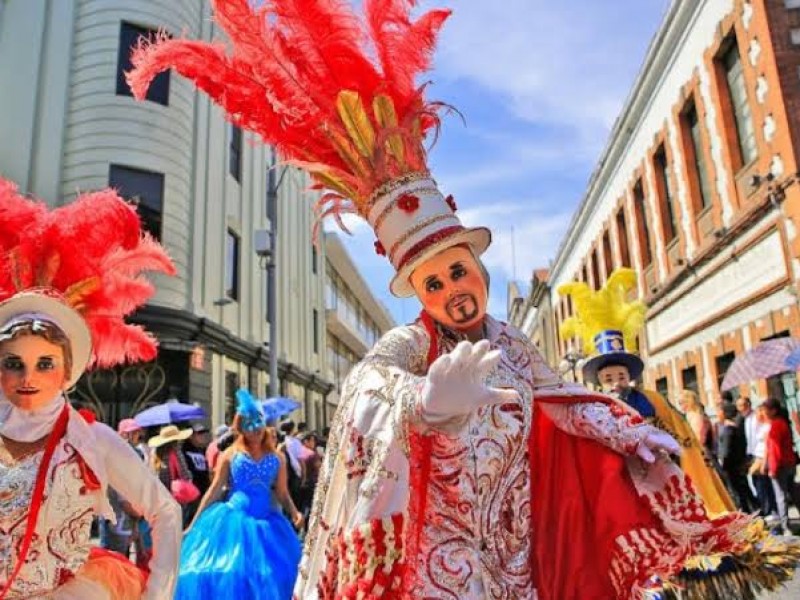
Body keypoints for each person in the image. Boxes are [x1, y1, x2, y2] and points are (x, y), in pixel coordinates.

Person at [128, 3, 795, 598]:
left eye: (457, 271)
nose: (452, 291)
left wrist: (631, 431)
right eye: (433, 285)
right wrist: (422, 402)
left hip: (517, 558)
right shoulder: (414, 347)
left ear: (475, 263)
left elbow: (563, 401)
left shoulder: (510, 345)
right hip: (434, 570)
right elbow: (366, 386)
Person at [0, 177, 181, 598]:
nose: (28, 378)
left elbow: (165, 511)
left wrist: (158, 594)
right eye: (14, 363)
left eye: (44, 364)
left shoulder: (91, 442)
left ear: (66, 372)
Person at [562, 268, 736, 517]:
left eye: (620, 376)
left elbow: (678, 432)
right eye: (609, 378)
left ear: (629, 376)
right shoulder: (597, 406)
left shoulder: (651, 399)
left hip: (660, 471)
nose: (616, 383)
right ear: (600, 381)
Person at [175, 389, 302, 599]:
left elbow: (282, 492)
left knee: (271, 575)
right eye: (249, 425)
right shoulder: (230, 455)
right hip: (231, 522)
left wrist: (294, 511)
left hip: (267, 525)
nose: (255, 430)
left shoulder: (278, 458)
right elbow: (214, 490)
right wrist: (193, 524)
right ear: (240, 427)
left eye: (258, 423)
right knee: (227, 573)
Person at [148, 426, 196, 528]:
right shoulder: (176, 453)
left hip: (159, 499)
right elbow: (185, 475)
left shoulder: (155, 454)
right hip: (176, 499)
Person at [764, 398, 799, 535]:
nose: (764, 413)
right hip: (789, 463)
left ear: (773, 411)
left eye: (766, 410)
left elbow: (775, 450)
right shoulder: (783, 423)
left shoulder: (776, 425)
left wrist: (773, 469)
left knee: (781, 496)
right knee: (793, 492)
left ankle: (786, 526)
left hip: (781, 466)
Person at [718, 402, 755, 512]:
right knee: (743, 490)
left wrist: (722, 465)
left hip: (731, 467)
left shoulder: (728, 430)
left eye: (719, 412)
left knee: (737, 492)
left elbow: (726, 451)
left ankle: (745, 513)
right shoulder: (735, 427)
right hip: (738, 464)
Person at [181, 423, 212, 524]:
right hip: (192, 494)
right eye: (199, 433)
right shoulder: (184, 450)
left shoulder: (203, 450)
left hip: (204, 491)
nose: (203, 435)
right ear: (191, 436)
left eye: (204, 432)